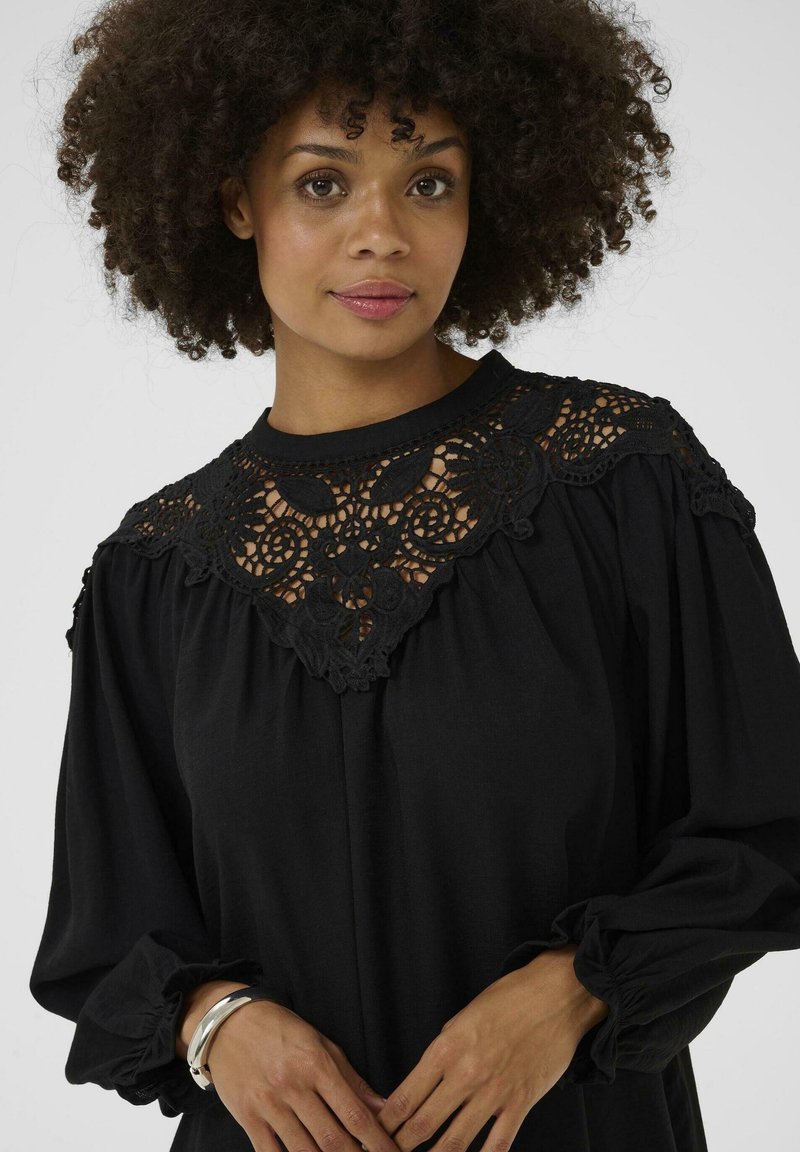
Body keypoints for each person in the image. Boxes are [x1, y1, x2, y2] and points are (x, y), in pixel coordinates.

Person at [29, 1, 800, 1151]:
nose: (381, 234)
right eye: (322, 184)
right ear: (236, 200)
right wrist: (215, 1022)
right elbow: (107, 940)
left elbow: (766, 824)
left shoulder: (621, 482)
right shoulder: (154, 574)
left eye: (428, 182)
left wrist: (572, 990)